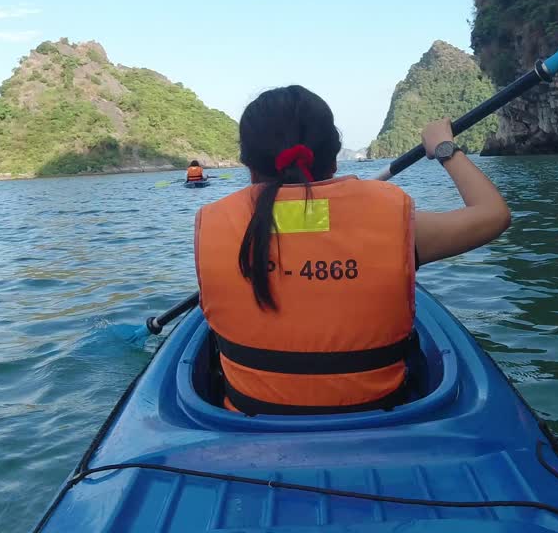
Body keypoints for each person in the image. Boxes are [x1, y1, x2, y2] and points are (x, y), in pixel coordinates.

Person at [194, 85, 511, 416]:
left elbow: (296, 220)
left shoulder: (212, 226)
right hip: (377, 418)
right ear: (333, 157)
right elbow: (494, 214)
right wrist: (444, 147)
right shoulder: (397, 224)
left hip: (249, 423)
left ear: (249, 165)